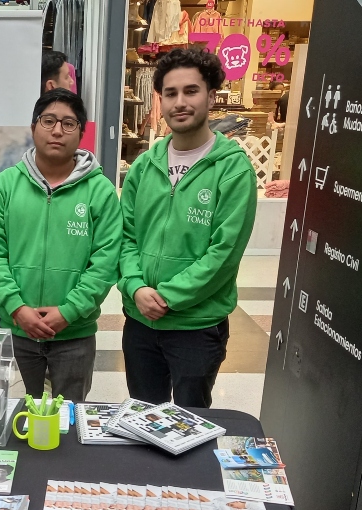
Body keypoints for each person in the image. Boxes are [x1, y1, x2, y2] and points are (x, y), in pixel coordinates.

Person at [117, 48, 256, 408]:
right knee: (144, 417)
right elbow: (125, 237)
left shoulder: (232, 169)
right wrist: (135, 288)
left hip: (196, 325)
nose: (180, 102)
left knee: (190, 423)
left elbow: (223, 253)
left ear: (211, 96)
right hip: (140, 322)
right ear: (160, 99)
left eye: (191, 91)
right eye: (171, 93)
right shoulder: (143, 167)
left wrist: (168, 298)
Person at [0, 89, 122, 402]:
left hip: (74, 333)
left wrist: (68, 311)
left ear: (81, 133)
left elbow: (106, 262)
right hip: (18, 330)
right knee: (20, 417)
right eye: (49, 121)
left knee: (69, 418)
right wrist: (17, 308)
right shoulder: (3, 187)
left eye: (69, 124)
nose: (57, 130)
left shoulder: (101, 192)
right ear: (33, 128)